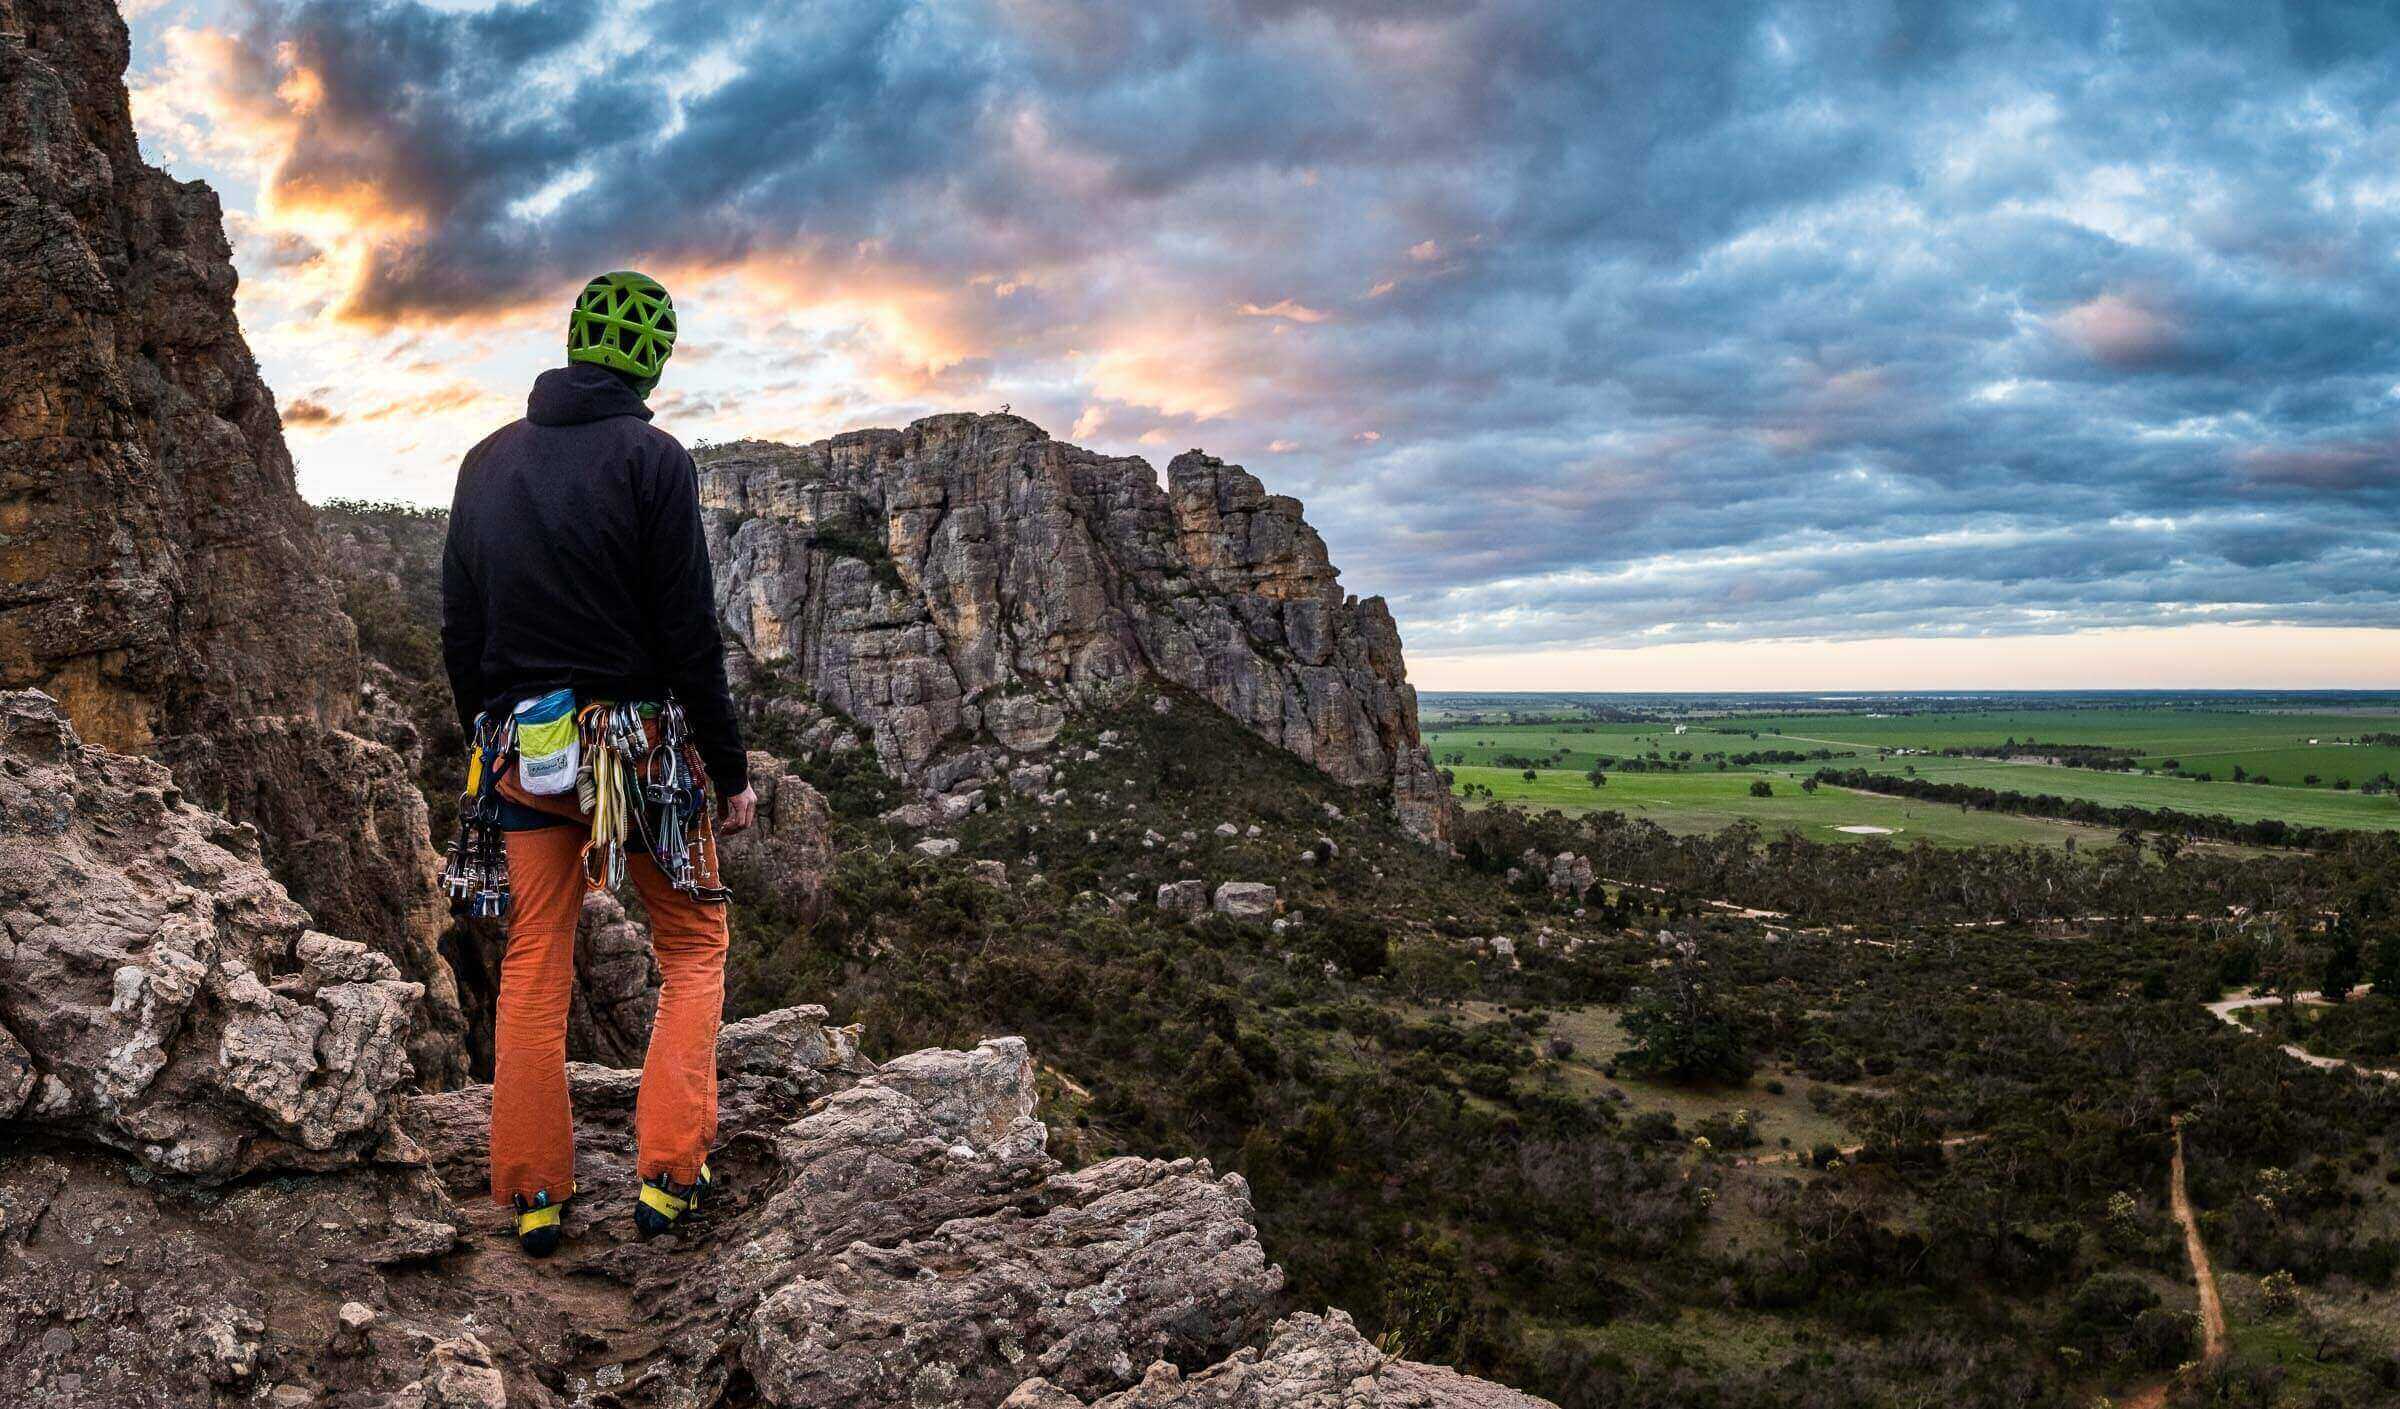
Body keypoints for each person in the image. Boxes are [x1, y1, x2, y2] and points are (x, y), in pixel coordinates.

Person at [440, 270, 756, 1256]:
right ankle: (669, 1175)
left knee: (536, 962)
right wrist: (730, 765)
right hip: (640, 758)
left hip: (523, 753)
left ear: (574, 342)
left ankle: (532, 1193)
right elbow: (688, 635)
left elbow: (461, 625)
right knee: (694, 944)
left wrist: (485, 732)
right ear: (652, 362)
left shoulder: (485, 462)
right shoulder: (654, 459)